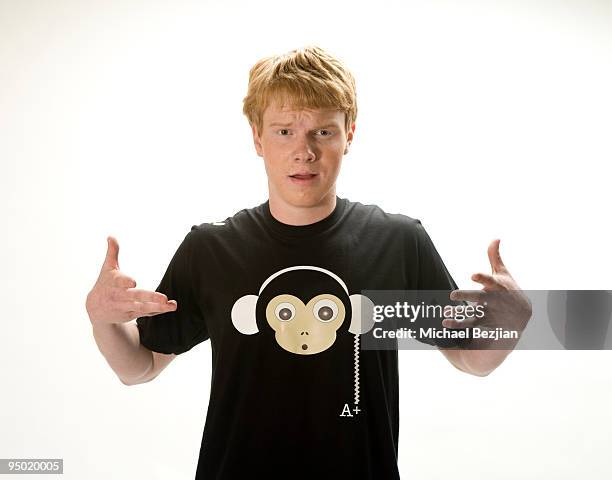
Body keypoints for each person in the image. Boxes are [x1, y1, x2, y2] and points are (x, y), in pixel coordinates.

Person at [86, 45, 531, 479]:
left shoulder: (397, 242)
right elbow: (140, 367)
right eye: (284, 131)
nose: (305, 151)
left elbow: (473, 360)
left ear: (349, 134)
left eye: (323, 131)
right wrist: (102, 319)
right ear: (258, 138)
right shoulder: (211, 249)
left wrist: (513, 320)